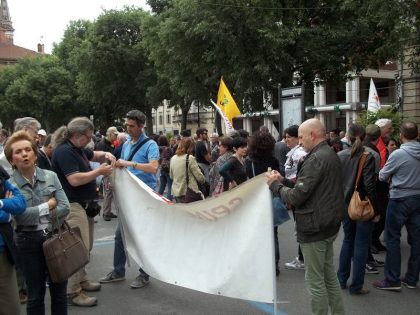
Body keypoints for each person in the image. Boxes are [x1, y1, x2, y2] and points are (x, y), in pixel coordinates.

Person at [267, 118, 345, 315]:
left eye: (301, 137)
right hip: (328, 224)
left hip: (315, 227)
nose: (299, 142)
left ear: (312, 135)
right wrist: (283, 180)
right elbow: (309, 187)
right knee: (328, 276)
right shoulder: (328, 154)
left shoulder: (316, 158)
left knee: (315, 281)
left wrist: (275, 186)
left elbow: (298, 196)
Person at [51, 117, 116, 307]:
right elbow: (75, 179)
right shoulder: (64, 152)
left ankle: (81, 279)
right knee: (76, 249)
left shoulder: (76, 148)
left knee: (85, 247)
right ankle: (73, 291)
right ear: (77, 135)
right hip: (72, 205)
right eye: (88, 136)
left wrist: (107, 155)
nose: (90, 140)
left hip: (82, 205)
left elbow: (94, 154)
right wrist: (99, 172)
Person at [5, 131, 70, 314]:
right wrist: (48, 205)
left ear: (34, 153)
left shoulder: (51, 176)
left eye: (28, 149)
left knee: (59, 292)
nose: (24, 154)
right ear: (12, 160)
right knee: (35, 295)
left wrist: (34, 213)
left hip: (53, 236)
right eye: (18, 152)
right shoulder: (10, 185)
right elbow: (20, 217)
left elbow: (65, 207)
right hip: (27, 241)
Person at [99, 110, 159, 289]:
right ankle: (118, 271)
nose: (128, 128)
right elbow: (122, 169)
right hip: (127, 196)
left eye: (132, 126)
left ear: (142, 126)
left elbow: (154, 168)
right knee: (120, 235)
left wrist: (129, 163)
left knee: (141, 236)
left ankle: (144, 274)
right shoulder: (126, 145)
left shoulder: (151, 145)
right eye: (127, 125)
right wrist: (114, 181)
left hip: (143, 196)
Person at [373, 122, 420, 291]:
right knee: (416, 240)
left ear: (401, 135)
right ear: (417, 134)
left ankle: (392, 279)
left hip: (399, 198)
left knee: (392, 238)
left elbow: (382, 176)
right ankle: (412, 278)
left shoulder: (398, 154)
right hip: (418, 198)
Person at [336, 124, 378, 295]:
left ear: (348, 135)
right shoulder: (368, 156)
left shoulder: (340, 155)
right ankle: (356, 286)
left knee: (347, 240)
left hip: (345, 205)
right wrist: (375, 207)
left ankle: (341, 279)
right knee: (361, 244)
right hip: (361, 204)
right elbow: (369, 185)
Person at [245, 130, 281, 275]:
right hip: (270, 196)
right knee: (273, 232)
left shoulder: (249, 161)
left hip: (256, 199)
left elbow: (248, 178)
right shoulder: (273, 161)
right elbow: (277, 177)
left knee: (257, 232)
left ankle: (260, 262)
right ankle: (275, 265)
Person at [0, 165, 26, 315]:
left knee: (11, 308)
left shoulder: (2, 176)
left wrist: (2, 203)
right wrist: (6, 215)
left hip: (4, 251)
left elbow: (21, 203)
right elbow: (7, 215)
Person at [282, 125, 308, 271]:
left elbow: (300, 172)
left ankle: (303, 259)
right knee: (299, 226)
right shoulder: (294, 151)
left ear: (297, 138)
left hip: (296, 191)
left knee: (300, 226)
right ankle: (302, 257)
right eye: (285, 137)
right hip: (293, 190)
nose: (286, 140)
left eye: (288, 137)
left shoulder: (299, 152)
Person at [371, 118, 393, 253]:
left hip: (382, 181)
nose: (390, 131)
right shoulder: (377, 143)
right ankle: (372, 240)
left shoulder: (382, 141)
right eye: (389, 128)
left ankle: (375, 240)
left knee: (383, 215)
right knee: (380, 214)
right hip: (378, 182)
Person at [170, 137, 205, 203]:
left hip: (176, 192)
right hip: (189, 192)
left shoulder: (173, 158)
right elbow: (200, 178)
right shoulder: (189, 158)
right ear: (191, 147)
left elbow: (171, 176)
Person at [95, 126, 119, 221]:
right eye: (115, 134)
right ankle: (106, 213)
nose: (116, 136)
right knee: (108, 192)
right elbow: (102, 161)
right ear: (110, 134)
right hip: (106, 170)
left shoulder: (109, 143)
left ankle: (107, 211)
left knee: (109, 192)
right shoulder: (103, 144)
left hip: (109, 170)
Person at [157, 135, 174, 201]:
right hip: (168, 169)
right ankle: (169, 201)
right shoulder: (168, 148)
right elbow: (172, 157)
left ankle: (158, 199)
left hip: (161, 168)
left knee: (162, 185)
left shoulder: (157, 148)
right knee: (170, 186)